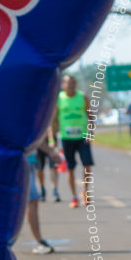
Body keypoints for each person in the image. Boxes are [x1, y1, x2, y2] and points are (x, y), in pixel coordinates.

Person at [52, 75, 95, 209]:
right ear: (63, 85)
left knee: (87, 165)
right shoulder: (59, 99)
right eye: (68, 83)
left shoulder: (82, 97)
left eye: (73, 83)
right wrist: (51, 138)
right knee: (70, 169)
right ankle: (74, 197)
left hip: (82, 137)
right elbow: (53, 120)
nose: (70, 85)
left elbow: (91, 116)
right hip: (66, 138)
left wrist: (90, 132)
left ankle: (85, 193)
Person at [25, 141, 63, 254]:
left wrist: (51, 152)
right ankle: (39, 241)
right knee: (31, 201)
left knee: (32, 201)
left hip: (28, 160)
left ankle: (39, 241)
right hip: (18, 162)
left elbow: (33, 136)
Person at [34, 127, 60, 203]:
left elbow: (51, 126)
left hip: (51, 141)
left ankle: (55, 190)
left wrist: (52, 140)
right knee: (40, 168)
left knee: (53, 167)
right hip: (39, 142)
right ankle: (42, 189)